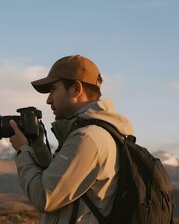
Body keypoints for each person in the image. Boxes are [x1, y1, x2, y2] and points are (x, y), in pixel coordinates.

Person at [9, 55, 134, 224]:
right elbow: (58, 184)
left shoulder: (88, 138)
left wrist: (23, 151)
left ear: (76, 89)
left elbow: (45, 197)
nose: (48, 99)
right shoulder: (99, 132)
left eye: (53, 89)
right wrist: (39, 147)